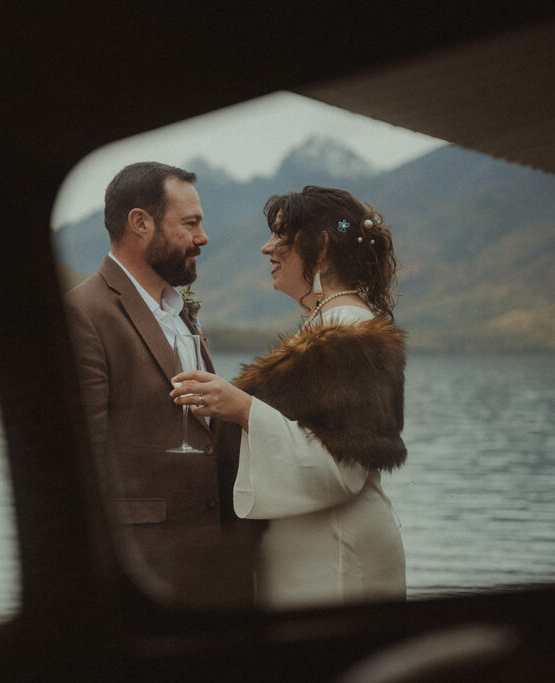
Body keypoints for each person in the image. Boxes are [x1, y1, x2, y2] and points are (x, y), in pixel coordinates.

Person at [170, 185, 407, 608]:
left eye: (282, 237)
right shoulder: (326, 325)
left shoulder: (348, 332)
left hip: (336, 555)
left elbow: (342, 468)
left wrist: (243, 409)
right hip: (314, 544)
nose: (267, 248)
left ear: (320, 249)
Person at [64, 161, 255, 607]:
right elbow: (81, 459)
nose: (202, 238)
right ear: (140, 223)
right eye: (190, 224)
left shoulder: (178, 311)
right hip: (145, 568)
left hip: (211, 567)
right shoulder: (84, 313)